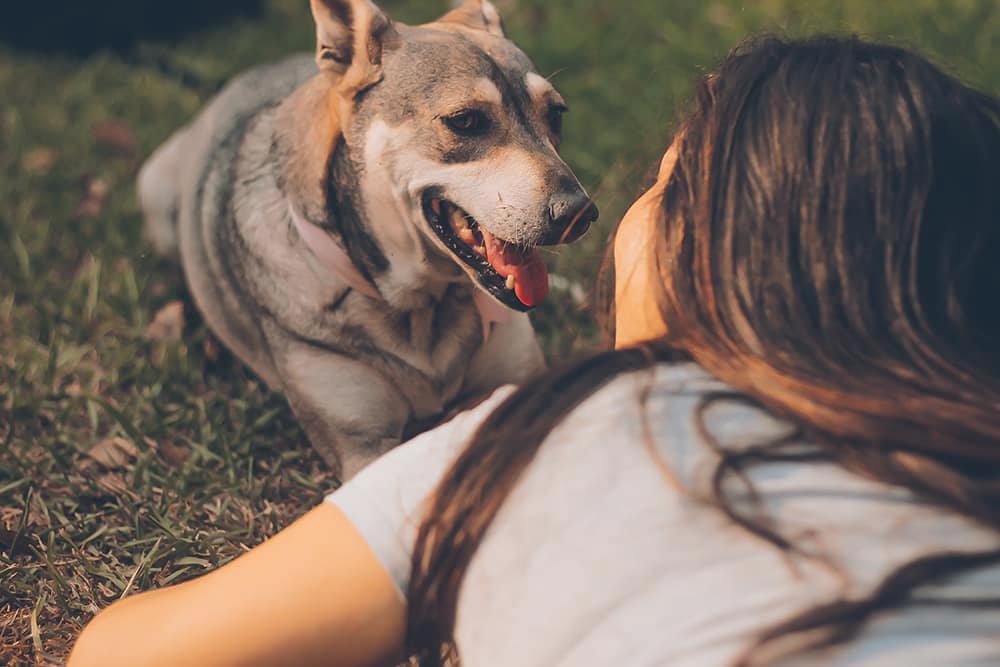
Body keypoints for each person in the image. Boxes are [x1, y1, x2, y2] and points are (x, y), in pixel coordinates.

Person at [68, 35, 1000, 667]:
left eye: (663, 185)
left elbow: (125, 653)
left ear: (730, 257)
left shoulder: (531, 442)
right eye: (473, 126)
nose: (588, 204)